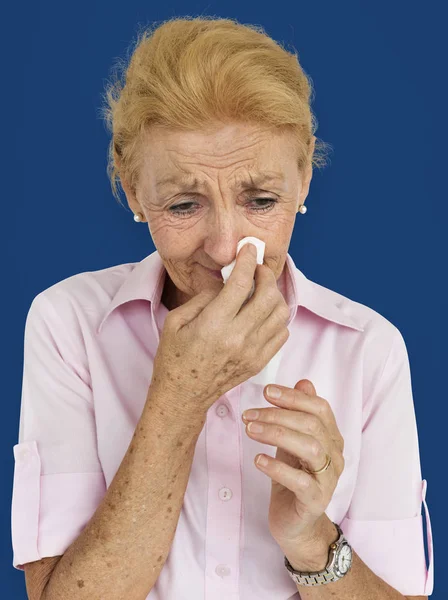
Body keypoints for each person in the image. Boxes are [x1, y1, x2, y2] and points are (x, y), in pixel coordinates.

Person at [11, 16, 433, 600]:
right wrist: (179, 396)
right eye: (184, 205)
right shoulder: (69, 325)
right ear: (134, 189)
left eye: (261, 200)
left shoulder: (369, 349)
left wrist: (312, 540)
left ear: (304, 178)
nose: (226, 247)